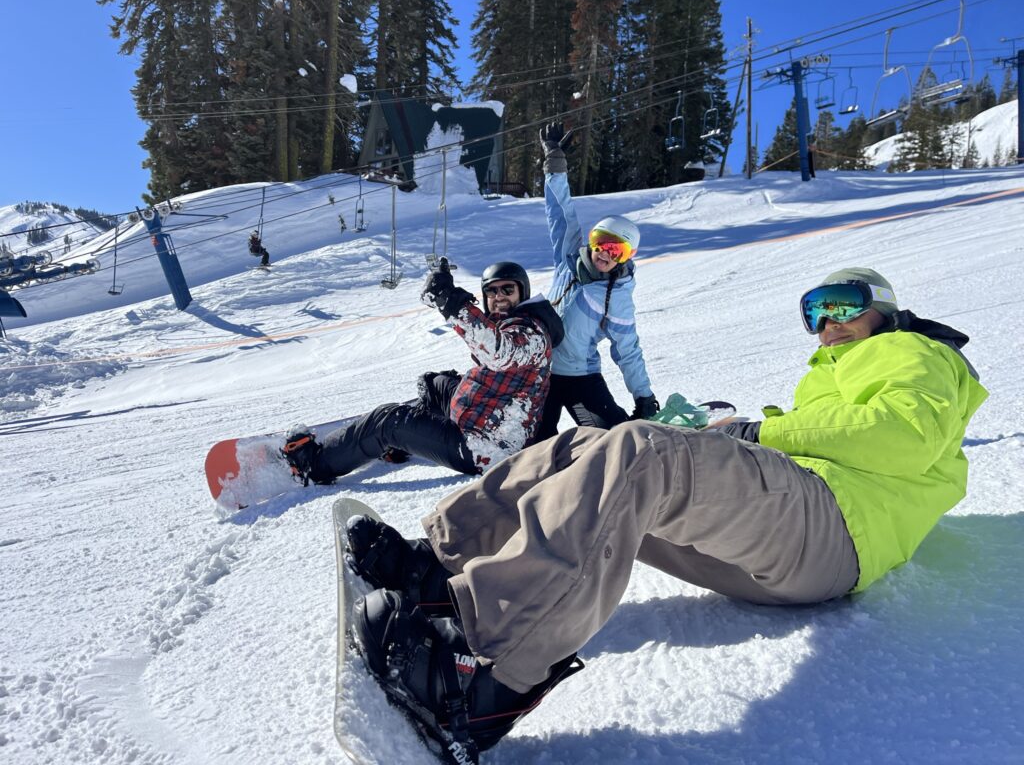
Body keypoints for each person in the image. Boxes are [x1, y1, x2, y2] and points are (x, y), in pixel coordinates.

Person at [343, 267, 988, 762]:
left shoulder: (914, 354)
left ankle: (483, 682)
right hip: (800, 539)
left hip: (839, 527)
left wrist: (761, 434)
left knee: (640, 452)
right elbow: (826, 433)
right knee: (588, 445)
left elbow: (900, 433)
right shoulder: (837, 368)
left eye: (843, 305)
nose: (828, 323)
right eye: (814, 313)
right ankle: (441, 569)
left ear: (885, 308)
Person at [282, 259, 564, 485]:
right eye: (492, 291)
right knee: (435, 384)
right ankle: (401, 445)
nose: (498, 297)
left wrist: (450, 301)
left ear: (522, 292)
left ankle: (314, 465)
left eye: (507, 290)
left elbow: (499, 353)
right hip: (486, 418)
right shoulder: (508, 322)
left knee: (388, 420)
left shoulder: (531, 331)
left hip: (484, 448)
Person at [535, 122, 658, 439]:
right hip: (539, 373)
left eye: (616, 249)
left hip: (580, 375)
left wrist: (642, 395)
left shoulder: (616, 295)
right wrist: (555, 165)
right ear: (591, 240)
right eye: (601, 241)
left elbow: (627, 348)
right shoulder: (568, 258)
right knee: (531, 445)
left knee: (611, 439)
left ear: (626, 257)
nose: (605, 253)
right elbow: (560, 212)